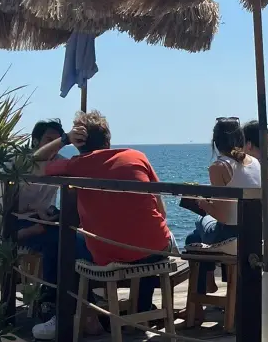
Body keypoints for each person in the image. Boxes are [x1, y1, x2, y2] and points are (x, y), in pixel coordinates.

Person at [31, 111, 174, 341]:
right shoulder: (137, 156)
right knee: (151, 239)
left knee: (65, 240)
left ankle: (77, 314)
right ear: (108, 139)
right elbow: (162, 210)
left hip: (108, 256)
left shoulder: (75, 165)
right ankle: (140, 313)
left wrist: (65, 139)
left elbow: (35, 162)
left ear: (79, 144)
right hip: (155, 250)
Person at [185, 117, 261, 300]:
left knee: (197, 228)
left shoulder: (219, 167)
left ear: (215, 142)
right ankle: (209, 285)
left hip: (230, 235)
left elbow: (223, 216)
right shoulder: (255, 162)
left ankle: (198, 303)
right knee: (195, 237)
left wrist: (202, 203)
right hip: (255, 233)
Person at [16, 119, 65, 246]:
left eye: (58, 142)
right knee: (54, 241)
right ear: (35, 141)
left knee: (65, 235)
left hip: (44, 218)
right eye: (50, 140)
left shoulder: (60, 163)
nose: (54, 146)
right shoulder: (18, 161)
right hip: (18, 218)